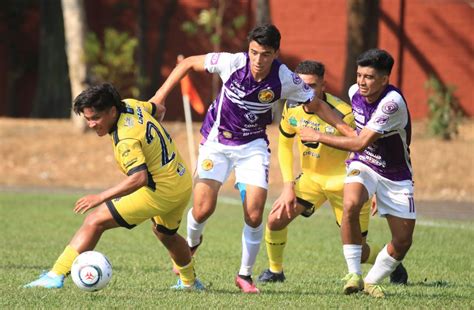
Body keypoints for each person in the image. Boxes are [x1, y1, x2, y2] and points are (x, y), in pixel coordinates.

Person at [151, 24, 353, 293]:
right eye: (254, 52)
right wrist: (159, 97)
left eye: (265, 54)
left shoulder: (285, 78)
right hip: (217, 142)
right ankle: (191, 243)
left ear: (275, 54)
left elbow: (317, 104)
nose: (258, 60)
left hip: (252, 146)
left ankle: (244, 275)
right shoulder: (232, 62)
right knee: (202, 208)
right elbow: (188, 63)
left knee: (255, 214)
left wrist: (347, 131)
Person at [24, 83, 204, 290]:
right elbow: (159, 109)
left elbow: (139, 179)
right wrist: (149, 141)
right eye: (87, 119)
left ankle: (54, 276)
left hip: (160, 191)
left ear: (112, 111)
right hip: (180, 181)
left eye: (95, 118)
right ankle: (189, 282)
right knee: (166, 234)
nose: (91, 124)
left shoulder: (125, 138)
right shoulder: (130, 105)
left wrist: (100, 197)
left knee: (95, 221)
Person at [257, 60, 407, 285]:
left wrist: (371, 187)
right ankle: (275, 271)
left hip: (344, 182)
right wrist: (288, 186)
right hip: (311, 180)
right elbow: (285, 146)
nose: (306, 91)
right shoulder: (290, 107)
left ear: (323, 85)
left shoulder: (345, 113)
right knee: (275, 220)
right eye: (301, 85)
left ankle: (392, 263)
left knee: (359, 248)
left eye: (313, 86)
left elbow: (364, 147)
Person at [300, 49, 415, 298]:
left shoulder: (391, 103)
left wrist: (319, 135)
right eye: (359, 75)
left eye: (369, 77)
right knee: (351, 203)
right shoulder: (354, 92)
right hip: (363, 163)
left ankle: (372, 280)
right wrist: (314, 103)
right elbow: (350, 133)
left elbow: (360, 141)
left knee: (403, 240)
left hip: (395, 173)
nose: (362, 82)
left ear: (384, 79)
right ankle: (353, 274)